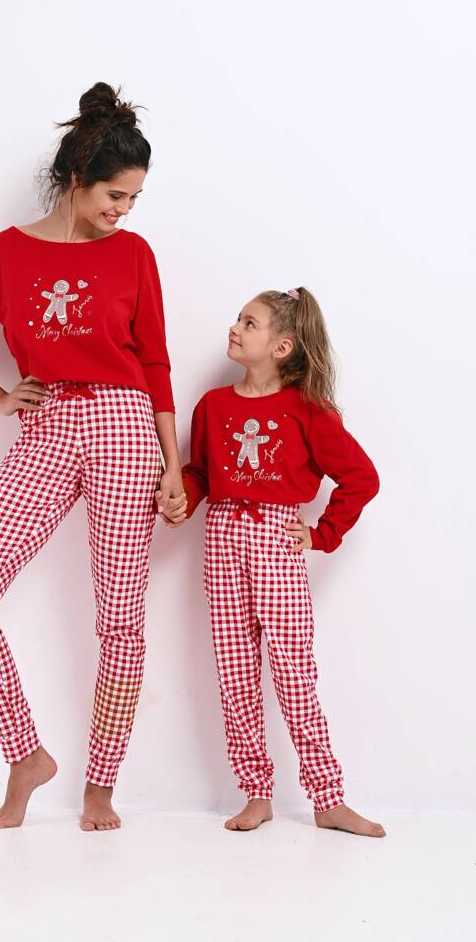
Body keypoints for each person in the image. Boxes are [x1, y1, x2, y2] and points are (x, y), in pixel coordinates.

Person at [0, 82, 186, 831]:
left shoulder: (134, 254)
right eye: (115, 195)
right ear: (78, 179)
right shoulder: (5, 253)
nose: (124, 210)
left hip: (124, 427)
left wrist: (173, 466)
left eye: (134, 198)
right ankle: (25, 754)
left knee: (121, 619)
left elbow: (155, 363)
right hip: (47, 425)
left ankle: (101, 785)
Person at [163, 287, 385, 837]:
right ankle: (256, 793)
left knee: (292, 672)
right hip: (222, 540)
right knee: (235, 672)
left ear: (282, 346)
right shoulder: (213, 406)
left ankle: (327, 798)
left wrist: (321, 534)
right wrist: (183, 501)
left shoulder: (308, 409)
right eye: (238, 318)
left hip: (276, 542)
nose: (235, 328)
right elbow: (202, 473)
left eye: (250, 323)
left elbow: (361, 478)